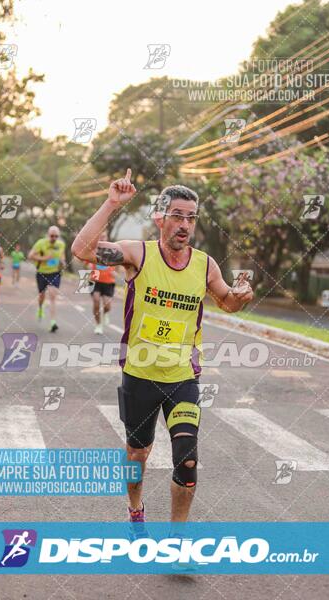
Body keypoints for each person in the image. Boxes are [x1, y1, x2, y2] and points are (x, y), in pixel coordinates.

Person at [72, 169, 253, 528]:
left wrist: (241, 295)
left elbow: (227, 302)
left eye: (191, 217)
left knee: (187, 460)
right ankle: (135, 506)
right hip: (139, 374)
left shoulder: (204, 265)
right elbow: (81, 250)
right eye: (177, 216)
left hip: (183, 377)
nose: (184, 224)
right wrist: (111, 203)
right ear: (160, 218)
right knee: (138, 453)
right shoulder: (138, 254)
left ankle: (177, 540)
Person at [28, 226, 66, 332]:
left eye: (56, 236)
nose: (54, 238)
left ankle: (53, 322)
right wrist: (44, 259)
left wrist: (63, 262)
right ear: (47, 235)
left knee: (53, 296)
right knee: (41, 296)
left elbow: (62, 257)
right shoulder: (41, 243)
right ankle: (40, 308)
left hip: (55, 273)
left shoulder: (61, 244)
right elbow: (30, 256)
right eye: (52, 236)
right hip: (42, 273)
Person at [87, 231, 116, 334]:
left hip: (108, 281)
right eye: (100, 238)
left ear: (107, 238)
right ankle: (98, 325)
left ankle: (105, 313)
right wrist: (88, 266)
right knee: (96, 300)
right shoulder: (93, 251)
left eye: (104, 237)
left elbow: (121, 264)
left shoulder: (113, 251)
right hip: (95, 280)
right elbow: (85, 262)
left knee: (107, 305)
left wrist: (116, 272)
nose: (102, 239)